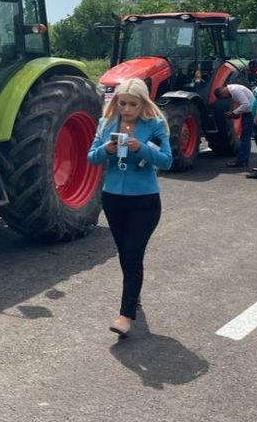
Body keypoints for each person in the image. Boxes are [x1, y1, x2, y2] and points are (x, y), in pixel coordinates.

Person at [87, 78, 172, 338]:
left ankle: (125, 315)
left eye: (132, 104)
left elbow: (166, 161)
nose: (126, 109)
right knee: (126, 255)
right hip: (113, 199)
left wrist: (142, 148)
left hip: (144, 201)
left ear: (143, 103)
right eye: (122, 103)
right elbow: (91, 158)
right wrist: (107, 148)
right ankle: (133, 295)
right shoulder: (106, 124)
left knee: (133, 254)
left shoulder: (155, 125)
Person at [213, 81, 255, 168]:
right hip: (248, 112)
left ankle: (241, 160)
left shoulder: (235, 90)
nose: (226, 98)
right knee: (245, 138)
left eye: (223, 97)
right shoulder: (234, 90)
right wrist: (236, 113)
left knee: (245, 138)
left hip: (250, 113)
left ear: (222, 92)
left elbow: (246, 105)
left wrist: (234, 112)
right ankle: (243, 159)